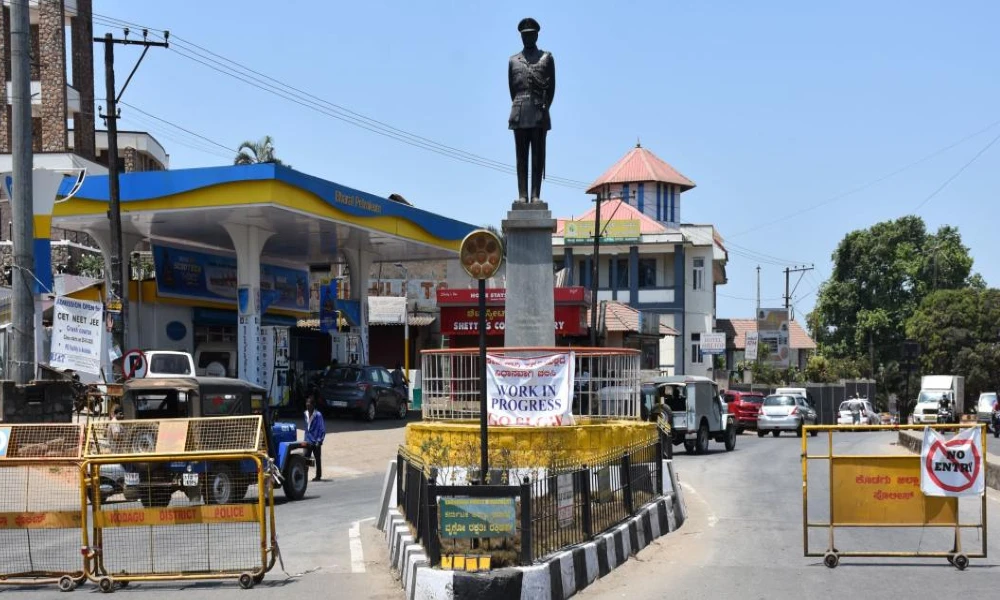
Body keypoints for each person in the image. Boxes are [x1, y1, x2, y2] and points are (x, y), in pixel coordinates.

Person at [508, 17, 555, 202]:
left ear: (536, 36)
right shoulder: (513, 61)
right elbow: (512, 90)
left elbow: (551, 89)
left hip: (538, 112)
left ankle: (535, 195)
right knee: (521, 158)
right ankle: (522, 195)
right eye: (524, 36)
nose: (527, 38)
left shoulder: (546, 58)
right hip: (519, 112)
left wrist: (543, 109)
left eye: (530, 35)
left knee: (537, 157)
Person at [304, 394, 326, 482]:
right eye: (307, 403)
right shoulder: (305, 414)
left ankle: (318, 475)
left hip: (316, 441)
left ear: (313, 405)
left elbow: (322, 428)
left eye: (309, 403)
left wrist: (319, 440)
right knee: (307, 459)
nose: (307, 404)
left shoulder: (318, 415)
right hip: (308, 440)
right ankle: (305, 475)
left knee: (317, 459)